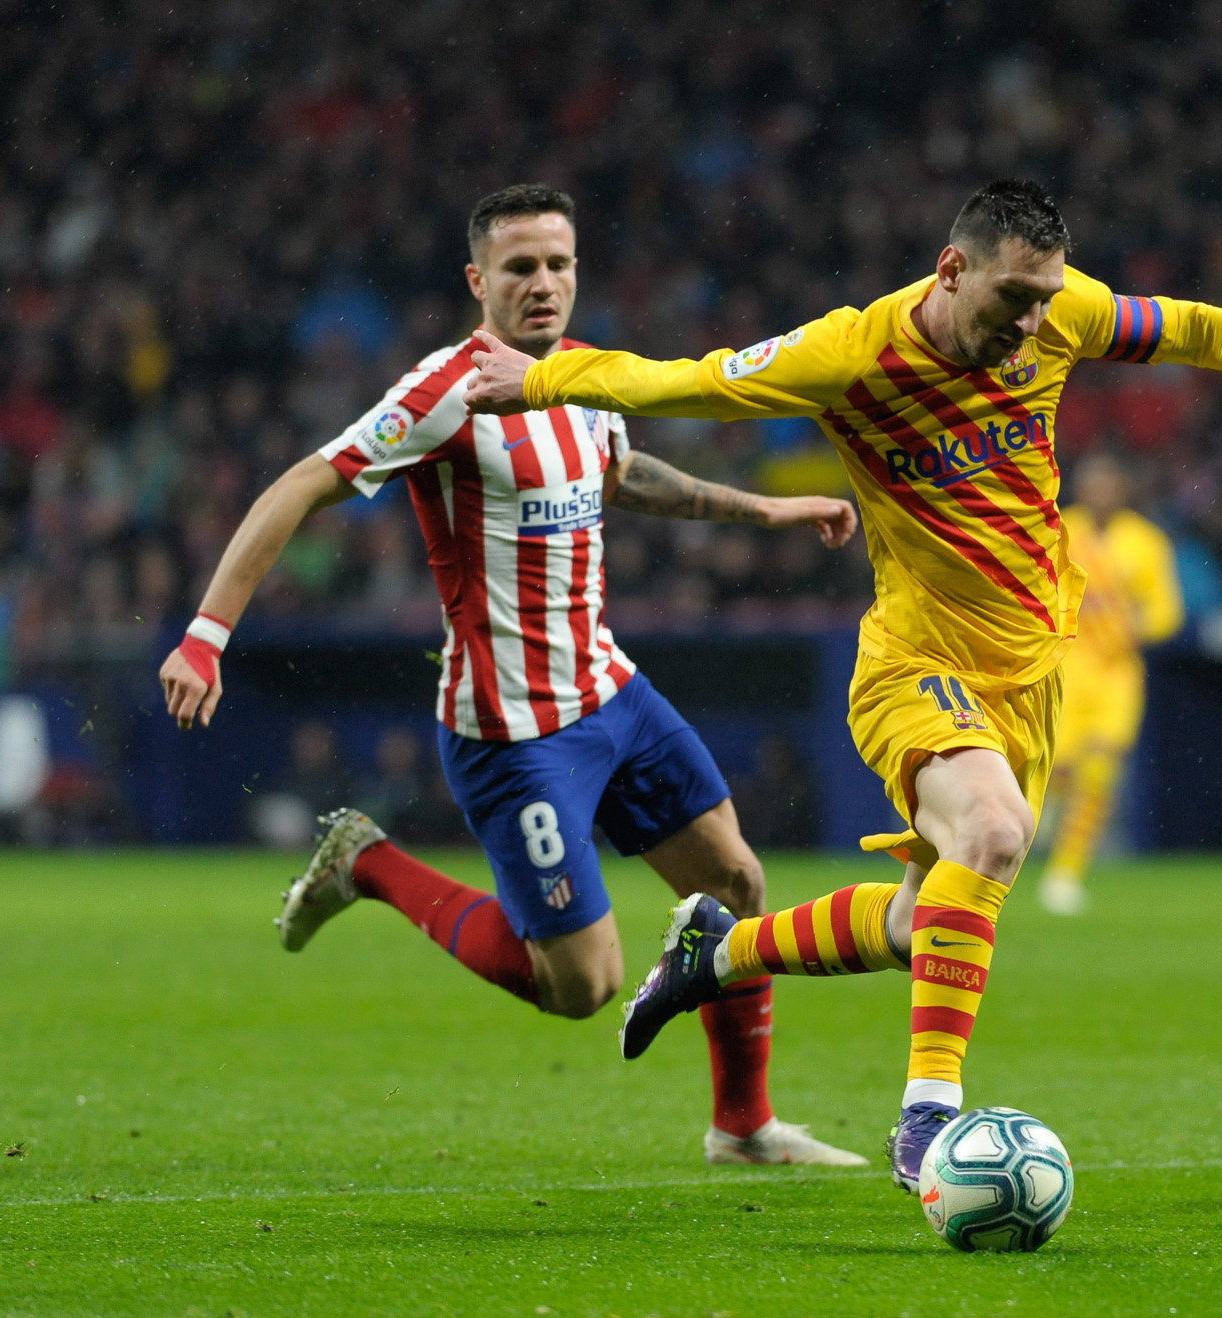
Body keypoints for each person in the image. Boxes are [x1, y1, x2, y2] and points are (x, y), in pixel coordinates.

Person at [464, 177, 1222, 1193]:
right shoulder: (852, 353)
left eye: (1044, 299)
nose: (1031, 321)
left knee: (918, 925)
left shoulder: (1059, 311)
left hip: (1030, 674)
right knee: (991, 831)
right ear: (951, 269)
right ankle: (929, 1115)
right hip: (917, 661)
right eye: (1013, 298)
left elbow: (1191, 328)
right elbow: (689, 382)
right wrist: (540, 381)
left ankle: (715, 955)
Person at [157, 183, 865, 1168]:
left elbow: (626, 474)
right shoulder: (442, 394)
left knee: (736, 882)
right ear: (477, 280)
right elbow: (302, 484)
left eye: (558, 264)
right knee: (583, 986)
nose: (543, 283)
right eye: (520, 267)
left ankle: (741, 1127)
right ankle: (369, 863)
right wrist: (206, 634)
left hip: (611, 691)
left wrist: (769, 510)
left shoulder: (583, 377)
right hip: (512, 731)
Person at [1037, 452, 1183, 915]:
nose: (1101, 493)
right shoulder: (1057, 531)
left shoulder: (1146, 542)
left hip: (1118, 674)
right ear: (1080, 487)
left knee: (1100, 771)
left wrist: (1139, 625)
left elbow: (1166, 612)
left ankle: (1065, 871)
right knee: (1055, 771)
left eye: (1109, 484)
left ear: (1122, 490)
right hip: (1066, 667)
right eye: (1094, 484)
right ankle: (1031, 833)